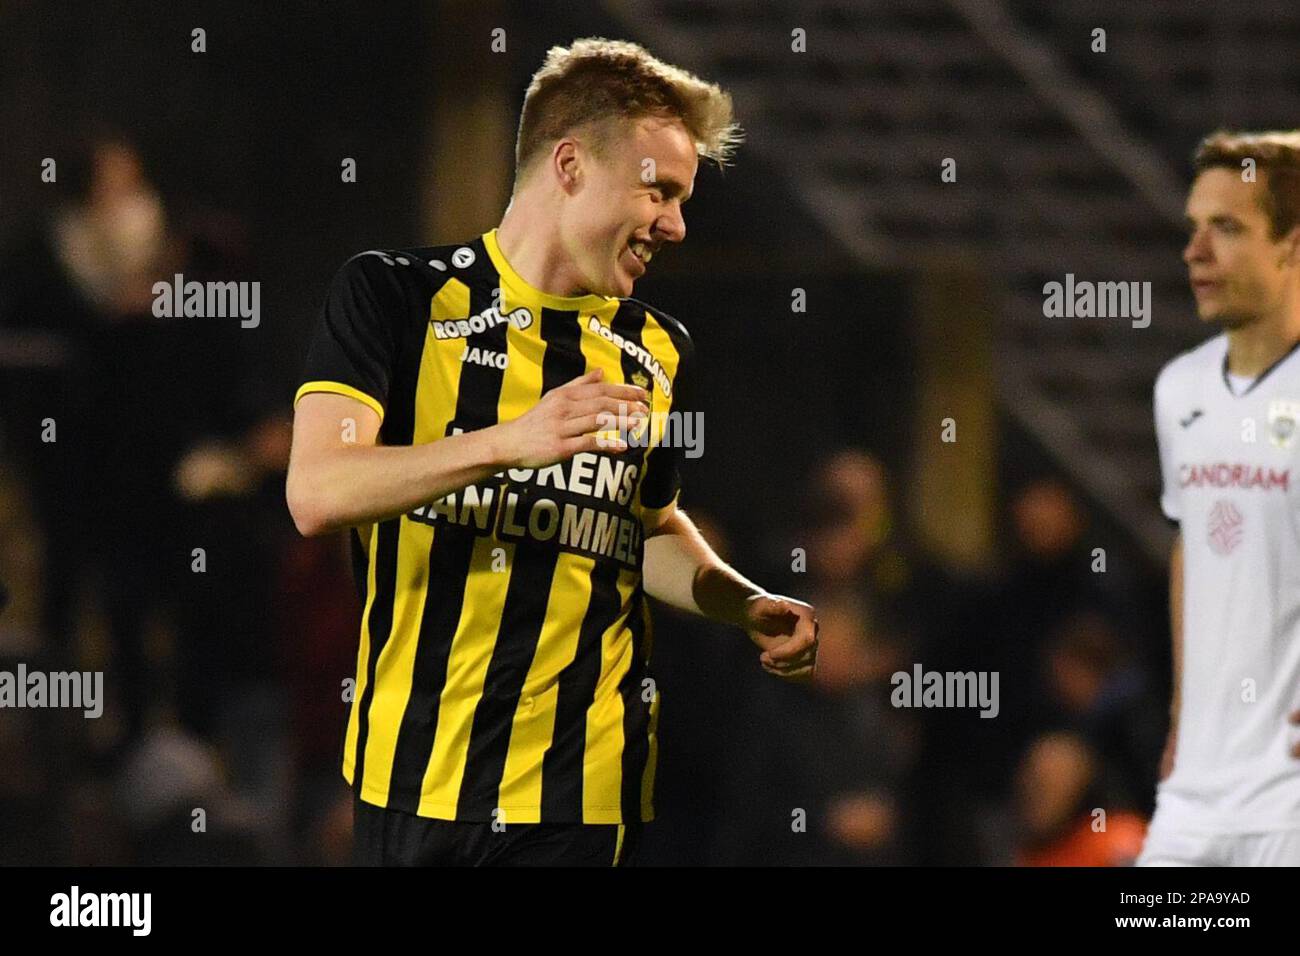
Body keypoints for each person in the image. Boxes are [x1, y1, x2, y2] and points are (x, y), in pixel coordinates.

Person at [286, 37, 818, 867]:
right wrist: (505, 442)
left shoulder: (655, 347)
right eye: (661, 191)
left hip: (580, 793)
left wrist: (740, 600)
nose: (675, 224)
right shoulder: (393, 297)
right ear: (570, 164)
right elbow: (318, 491)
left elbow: (644, 527)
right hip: (410, 776)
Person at [1140, 130, 1300, 866]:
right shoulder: (1181, 388)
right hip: (1194, 797)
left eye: (1227, 228)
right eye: (1193, 228)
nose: (1193, 253)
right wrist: (1182, 709)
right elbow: (1194, 547)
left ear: (1292, 247)